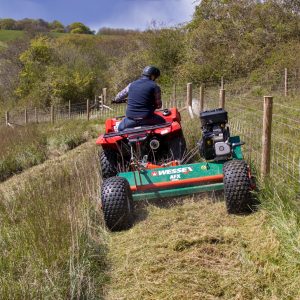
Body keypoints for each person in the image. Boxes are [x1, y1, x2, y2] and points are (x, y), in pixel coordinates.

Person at [113, 66, 165, 131]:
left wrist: (115, 100)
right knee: (164, 123)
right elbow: (159, 105)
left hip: (130, 120)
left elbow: (118, 97)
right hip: (148, 119)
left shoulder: (131, 85)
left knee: (119, 129)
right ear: (153, 76)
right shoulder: (155, 86)